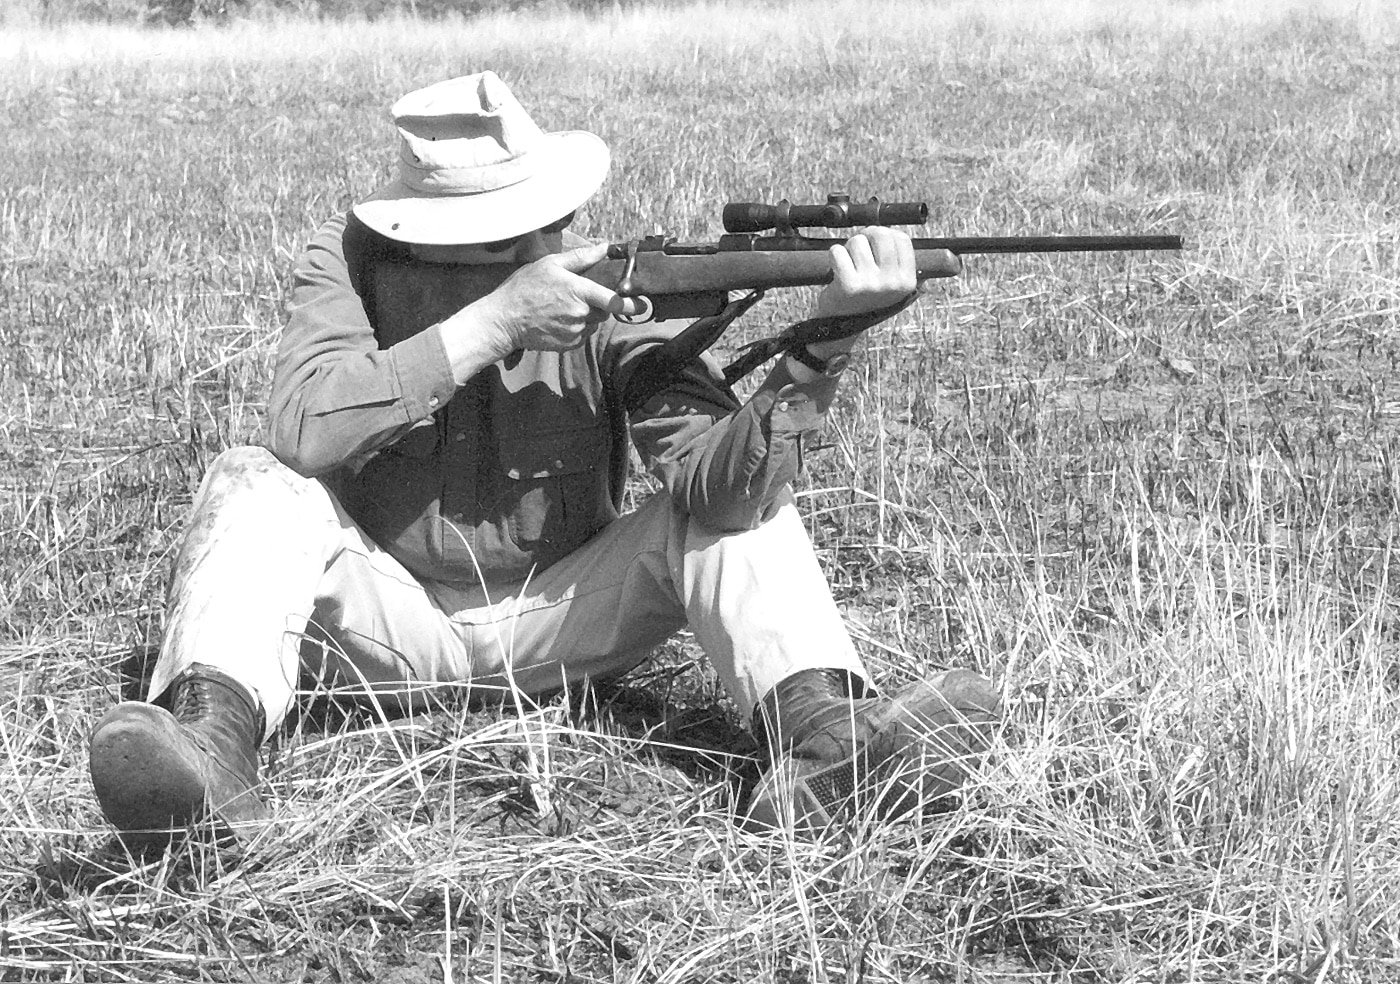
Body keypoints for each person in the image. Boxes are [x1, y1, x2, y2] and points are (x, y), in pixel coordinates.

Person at [87, 72, 1000, 846]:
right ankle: (209, 751)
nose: (537, 248)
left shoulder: (612, 287)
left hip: (560, 620)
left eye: (540, 224)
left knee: (758, 519)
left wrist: (818, 353)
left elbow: (718, 500)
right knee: (253, 481)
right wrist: (493, 324)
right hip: (375, 623)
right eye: (502, 237)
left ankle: (822, 746)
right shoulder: (349, 266)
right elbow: (302, 430)